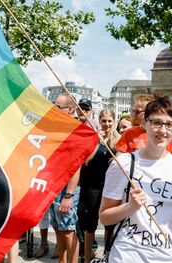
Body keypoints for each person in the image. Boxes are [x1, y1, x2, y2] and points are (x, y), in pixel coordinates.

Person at [99, 95, 172, 262]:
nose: (163, 131)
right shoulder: (124, 164)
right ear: (145, 123)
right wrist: (130, 206)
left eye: (169, 124)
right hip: (129, 255)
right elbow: (104, 216)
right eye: (156, 123)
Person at [78, 109, 120, 262]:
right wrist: (96, 143)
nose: (107, 124)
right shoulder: (94, 138)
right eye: (104, 121)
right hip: (93, 186)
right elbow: (86, 161)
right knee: (90, 222)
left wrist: (116, 160)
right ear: (100, 121)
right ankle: (88, 256)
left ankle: (107, 255)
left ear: (114, 121)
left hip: (111, 187)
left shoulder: (119, 139)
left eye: (109, 121)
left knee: (110, 224)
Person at [51, 94, 82, 263]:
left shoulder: (75, 131)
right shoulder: (57, 129)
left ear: (70, 110)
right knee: (58, 229)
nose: (54, 110)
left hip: (66, 190)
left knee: (69, 231)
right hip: (53, 187)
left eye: (58, 107)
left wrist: (69, 195)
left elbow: (75, 165)